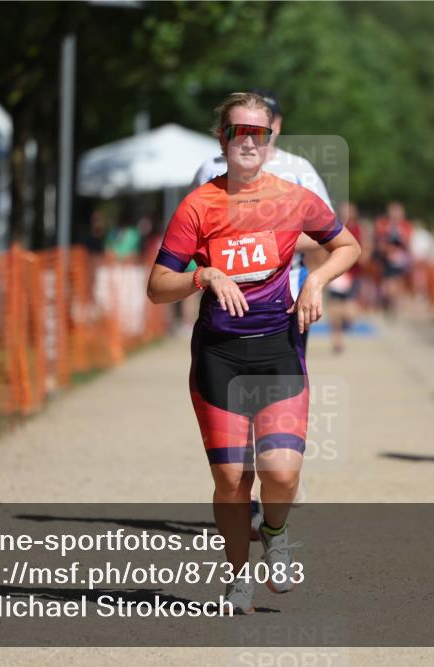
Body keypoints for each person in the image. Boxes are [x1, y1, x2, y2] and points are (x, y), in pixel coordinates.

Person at [147, 93, 360, 614]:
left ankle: (277, 531)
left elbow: (348, 246)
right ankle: (238, 577)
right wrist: (203, 274)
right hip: (220, 354)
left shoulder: (294, 196)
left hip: (277, 346)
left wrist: (314, 286)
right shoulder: (198, 205)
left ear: (271, 139)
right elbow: (157, 286)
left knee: (282, 471)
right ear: (222, 138)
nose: (247, 140)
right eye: (236, 131)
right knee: (231, 478)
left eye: (257, 133)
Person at [192, 89, 334, 539]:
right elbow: (191, 236)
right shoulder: (208, 171)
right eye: (240, 128)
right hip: (226, 315)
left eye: (262, 125)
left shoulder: (298, 171)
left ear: (276, 125)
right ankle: (251, 492)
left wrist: (275, 244)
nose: (252, 135)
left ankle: (278, 474)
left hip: (286, 306)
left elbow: (330, 233)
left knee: (272, 397)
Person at [326, 202, 364, 353]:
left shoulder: (359, 229)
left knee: (349, 313)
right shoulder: (333, 228)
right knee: (334, 310)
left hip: (353, 274)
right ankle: (338, 342)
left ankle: (345, 322)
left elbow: (365, 249)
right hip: (336, 273)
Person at [373, 202, 414, 313]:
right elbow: (379, 241)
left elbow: (407, 242)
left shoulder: (406, 226)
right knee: (388, 284)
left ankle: (393, 303)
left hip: (400, 259)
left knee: (397, 283)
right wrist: (388, 250)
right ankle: (387, 302)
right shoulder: (383, 223)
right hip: (386, 258)